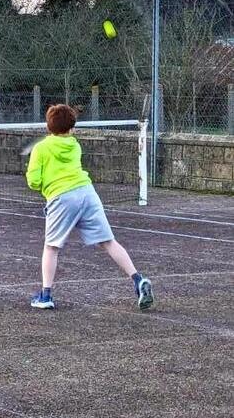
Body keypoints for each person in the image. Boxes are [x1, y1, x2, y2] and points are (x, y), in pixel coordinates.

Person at [25, 104, 153, 310]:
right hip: (87, 193)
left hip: (62, 197)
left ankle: (45, 295)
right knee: (108, 242)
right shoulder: (75, 145)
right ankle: (138, 279)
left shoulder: (41, 148)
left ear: (49, 126)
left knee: (51, 247)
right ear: (71, 128)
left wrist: (43, 184)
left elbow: (33, 181)